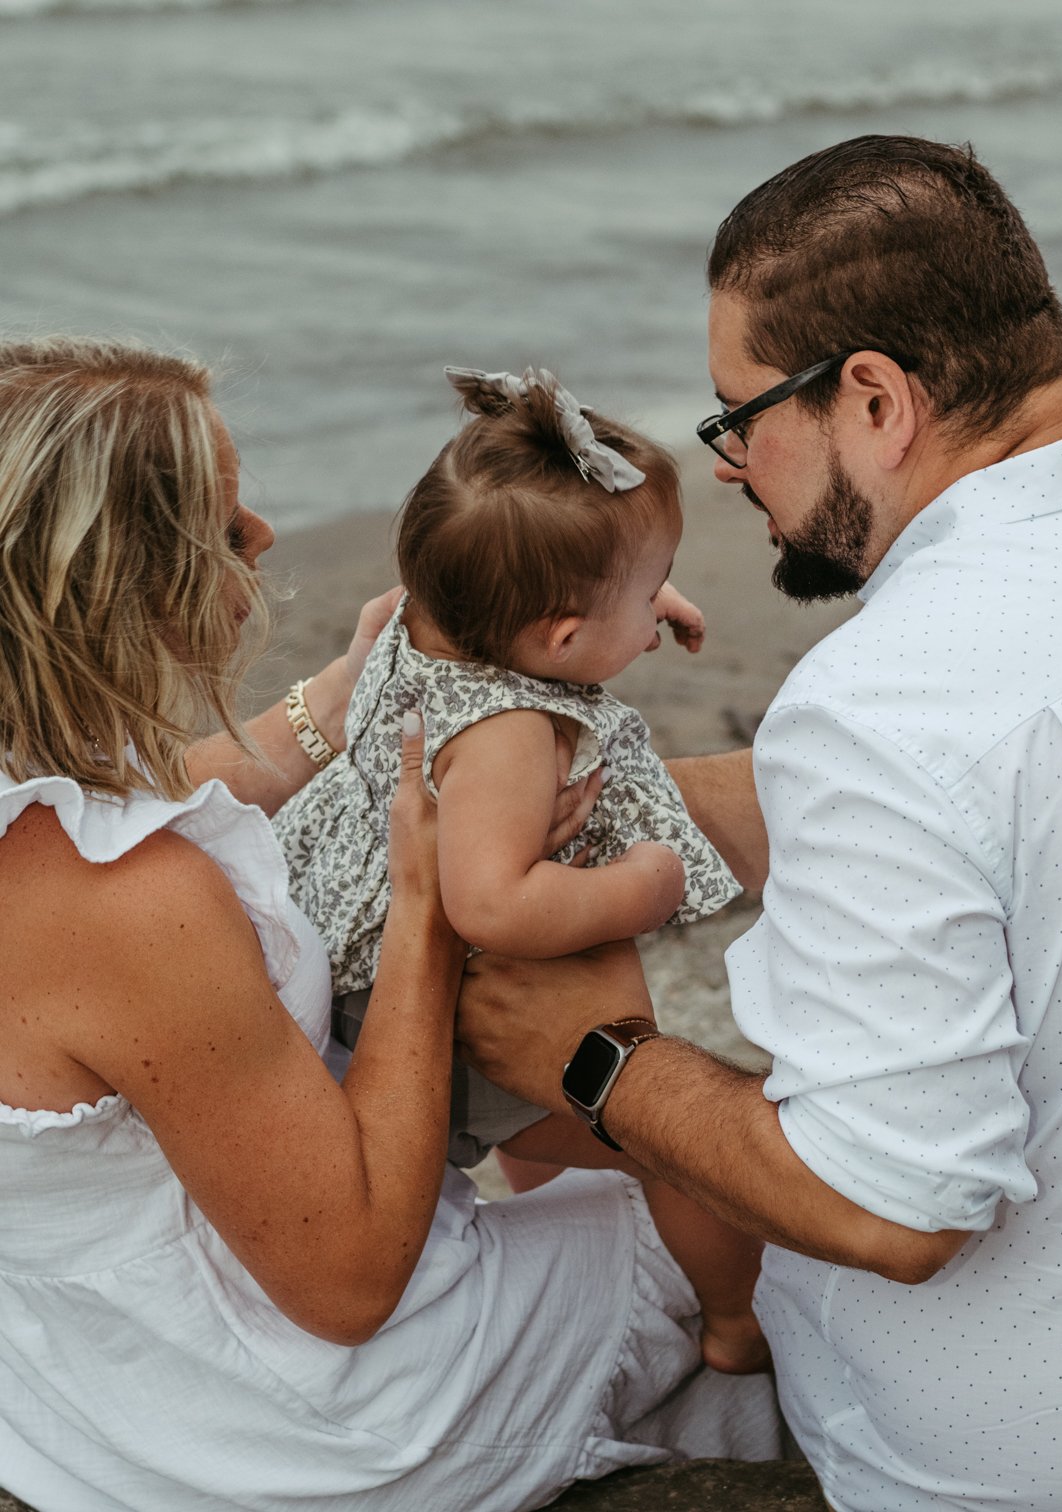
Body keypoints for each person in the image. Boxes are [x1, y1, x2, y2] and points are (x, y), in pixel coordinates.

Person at [0, 336, 783, 1512]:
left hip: (90, 1380)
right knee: (732, 1198)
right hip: (289, 1424)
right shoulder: (131, 905)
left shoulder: (42, 782)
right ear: (111, 580)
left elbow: (161, 784)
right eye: (222, 531)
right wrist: (425, 912)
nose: (263, 539)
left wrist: (341, 696)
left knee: (597, 1104)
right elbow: (352, 1280)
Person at [456, 135, 1062, 1511]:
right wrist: (613, 806)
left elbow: (896, 1207)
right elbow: (1013, 802)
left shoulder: (891, 696)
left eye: (741, 414)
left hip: (991, 1460)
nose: (732, 463)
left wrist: (600, 1058)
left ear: (874, 398)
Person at [272, 363, 767, 1375]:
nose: (657, 613)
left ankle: (592, 1244)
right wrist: (645, 885)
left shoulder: (431, 617)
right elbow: (491, 904)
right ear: (561, 635)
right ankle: (732, 1322)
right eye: (644, 596)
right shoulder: (507, 735)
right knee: (674, 1147)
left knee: (544, 1131)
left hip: (348, 943)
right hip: (436, 1012)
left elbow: (498, 570)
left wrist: (631, 590)